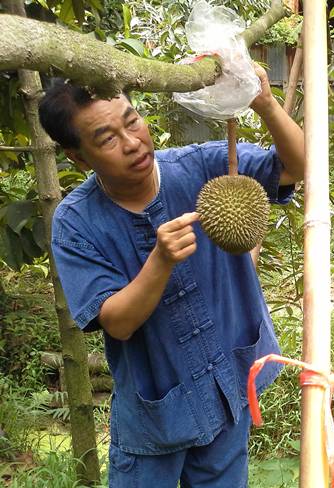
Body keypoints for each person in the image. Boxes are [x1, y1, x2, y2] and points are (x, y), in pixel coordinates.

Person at [38, 65, 305, 487]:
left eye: (132, 122)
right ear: (78, 156)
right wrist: (160, 261)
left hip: (226, 394)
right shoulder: (76, 223)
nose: (132, 143)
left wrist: (265, 104)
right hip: (154, 422)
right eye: (108, 139)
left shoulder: (202, 164)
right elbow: (118, 321)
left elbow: (297, 166)